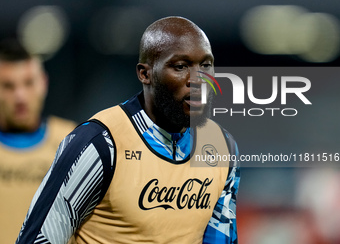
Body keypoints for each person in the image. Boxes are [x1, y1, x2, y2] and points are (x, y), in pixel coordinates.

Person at [16, 16, 240, 244]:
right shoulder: (99, 142)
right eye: (181, 67)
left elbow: (220, 239)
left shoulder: (222, 146)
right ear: (145, 74)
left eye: (205, 65)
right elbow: (37, 239)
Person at [0, 38, 76, 243]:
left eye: (28, 83)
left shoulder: (73, 143)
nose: (20, 97)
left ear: (43, 83)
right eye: (8, 86)